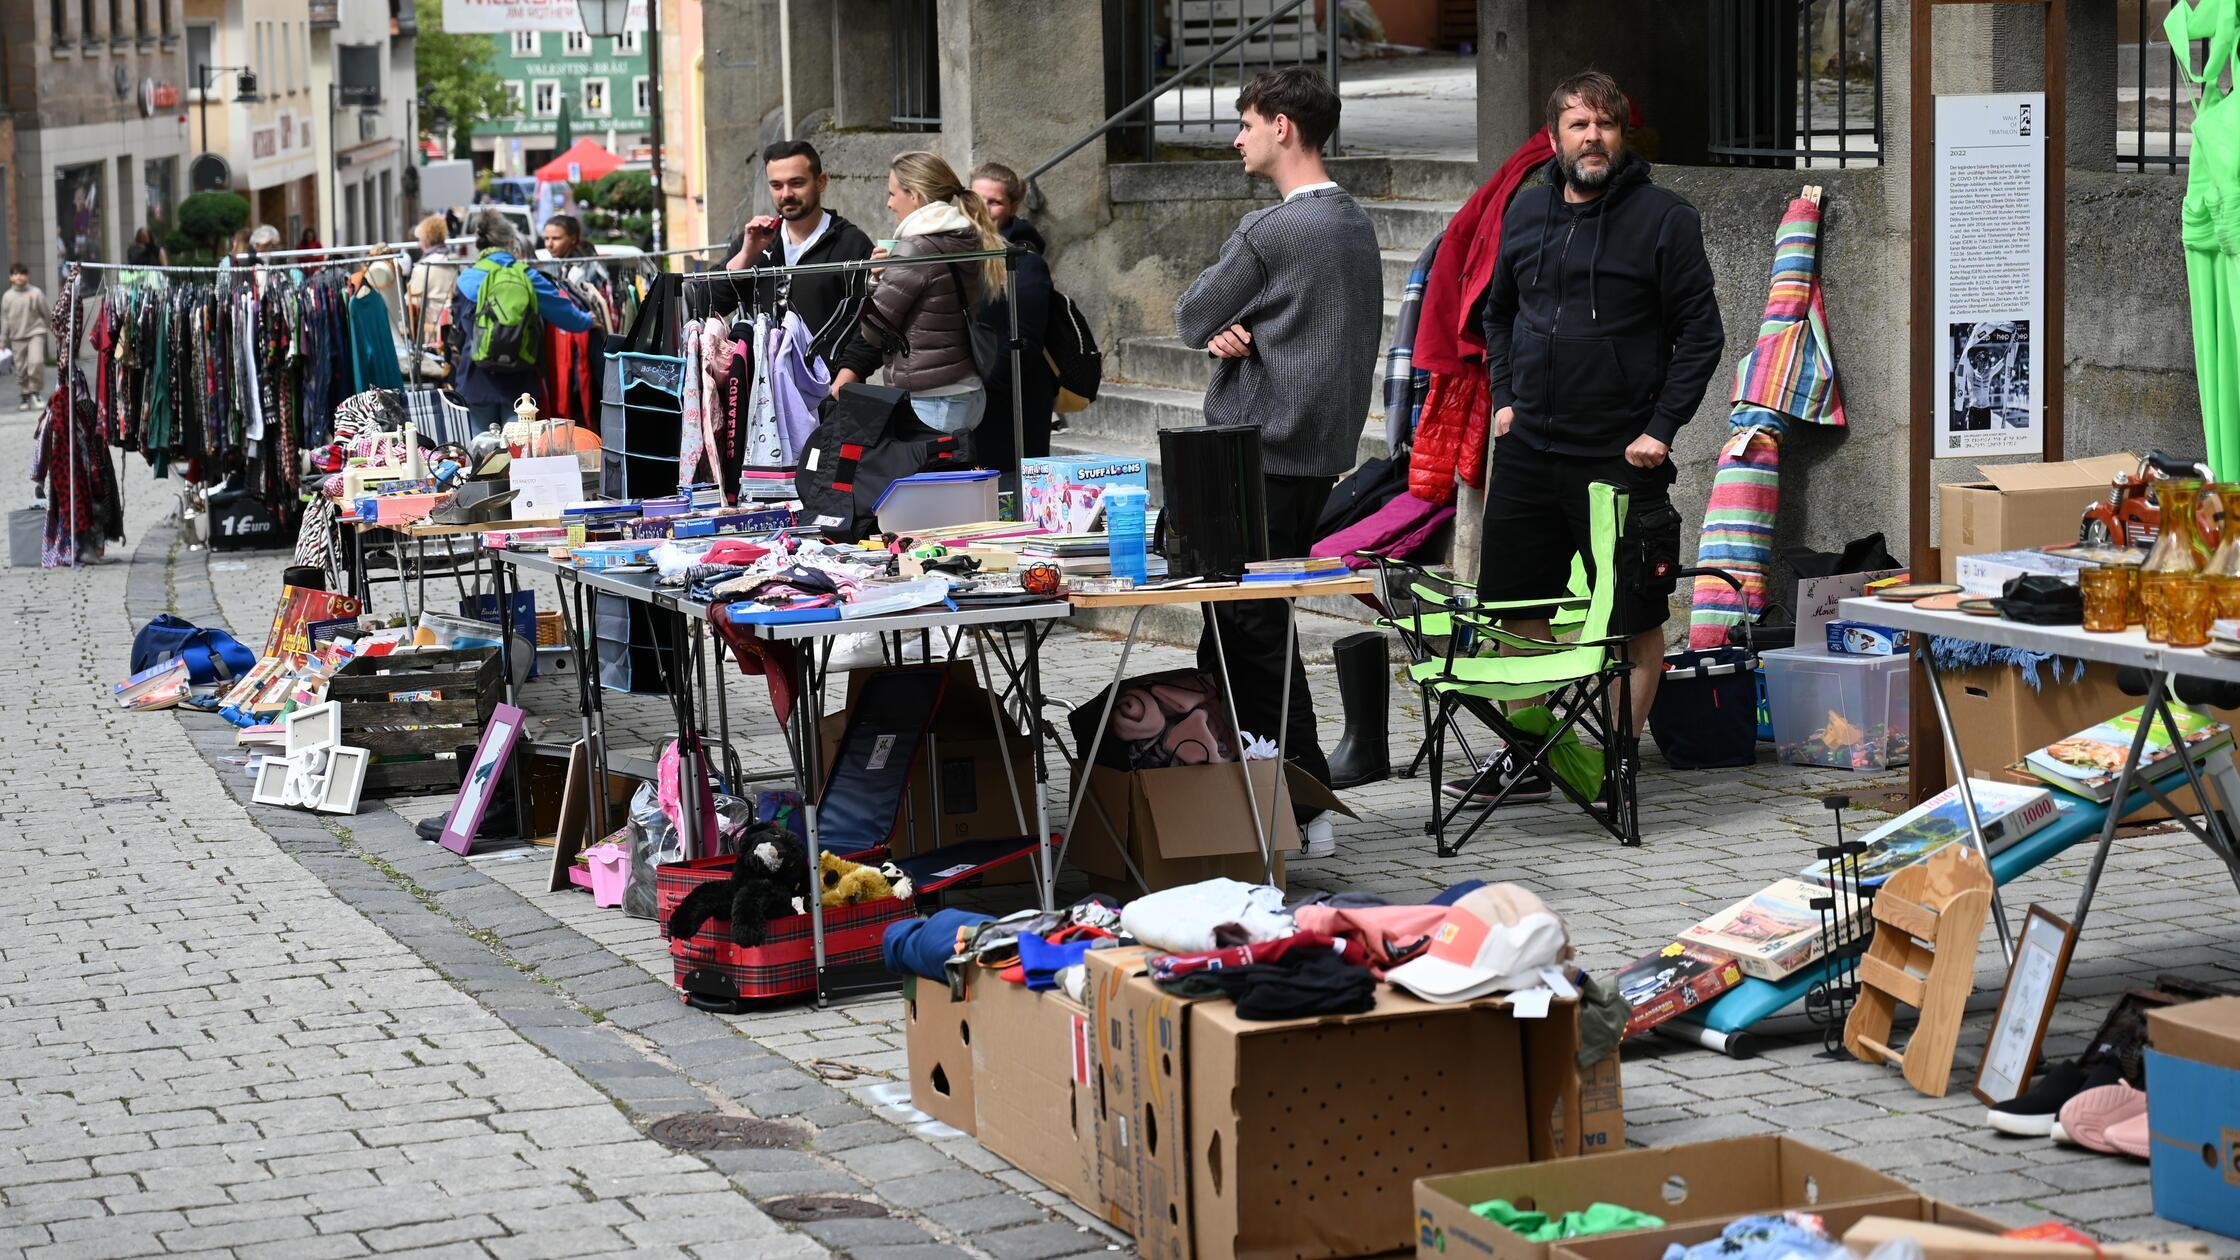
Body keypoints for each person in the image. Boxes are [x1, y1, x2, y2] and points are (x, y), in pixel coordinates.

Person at [1470, 70, 1725, 803]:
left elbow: (1700, 334)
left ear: (1623, 135)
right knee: (1516, 613)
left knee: (1632, 618)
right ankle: (1534, 757)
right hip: (1529, 450)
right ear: (1554, 138)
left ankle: (1617, 763)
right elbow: (1497, 313)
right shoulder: (1525, 209)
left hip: (1620, 455)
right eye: (1578, 125)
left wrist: (1661, 428)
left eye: (1605, 125)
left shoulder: (1664, 218)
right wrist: (1505, 398)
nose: (1593, 138)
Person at [1173, 66, 1382, 858]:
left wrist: (1227, 323)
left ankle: (1292, 796)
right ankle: (1262, 792)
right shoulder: (1352, 222)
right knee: (1253, 629)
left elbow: (1194, 313)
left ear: (1283, 127)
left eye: (1247, 122)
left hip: (1250, 455)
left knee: (1246, 634)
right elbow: (1282, 322)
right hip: (1310, 456)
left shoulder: (1276, 230)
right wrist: (1242, 325)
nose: (1237, 137)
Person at [829, 151, 1005, 437]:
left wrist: (876, 281)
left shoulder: (916, 249)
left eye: (892, 193)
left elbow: (875, 331)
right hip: (967, 391)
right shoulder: (964, 238)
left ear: (914, 195)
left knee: (927, 482)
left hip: (932, 399)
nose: (888, 203)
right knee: (956, 480)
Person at [717, 140, 875, 365]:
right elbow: (710, 304)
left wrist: (848, 374)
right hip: (763, 391)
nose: (786, 194)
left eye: (797, 183)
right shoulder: (754, 242)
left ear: (821, 182)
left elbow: (872, 318)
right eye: (776, 185)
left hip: (827, 389)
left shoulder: (851, 243)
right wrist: (745, 256)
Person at [447, 209, 593, 427]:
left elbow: (458, 328)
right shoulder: (527, 276)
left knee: (482, 452)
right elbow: (567, 317)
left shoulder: (465, 278)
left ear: (480, 246)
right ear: (510, 242)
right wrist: (589, 320)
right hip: (519, 378)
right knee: (519, 452)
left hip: (475, 377)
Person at [2, 264, 53, 410]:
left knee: (36, 362)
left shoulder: (36, 293)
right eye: (15, 274)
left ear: (27, 276)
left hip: (35, 333)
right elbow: (4, 319)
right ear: (11, 277)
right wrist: (2, 340)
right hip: (16, 336)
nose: (19, 276)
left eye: (22, 273)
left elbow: (46, 313)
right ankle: (25, 395)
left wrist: (55, 330)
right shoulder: (7, 297)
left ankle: (36, 393)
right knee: (21, 368)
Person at [970, 162, 1047, 255]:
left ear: (1013, 208)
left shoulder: (1021, 250)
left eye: (994, 202)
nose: (982, 209)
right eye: (975, 199)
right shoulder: (956, 234)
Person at [405, 213, 458, 349]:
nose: (419, 243)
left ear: (426, 241)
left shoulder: (423, 267)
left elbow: (410, 301)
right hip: (454, 323)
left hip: (432, 328)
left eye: (420, 240)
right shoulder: (454, 262)